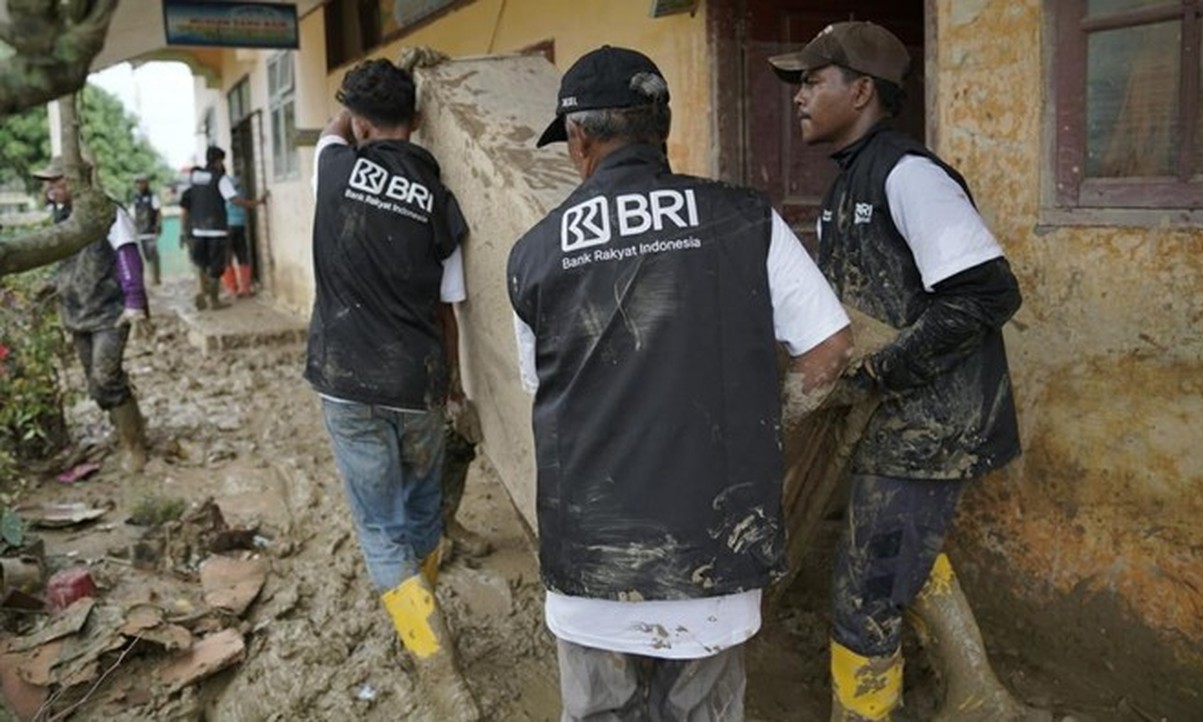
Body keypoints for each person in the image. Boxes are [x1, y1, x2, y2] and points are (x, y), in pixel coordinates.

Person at [507, 46, 853, 721]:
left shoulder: (534, 253)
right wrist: (760, 426)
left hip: (591, 562)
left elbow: (543, 390)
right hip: (713, 555)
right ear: (660, 125)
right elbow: (830, 349)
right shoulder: (746, 219)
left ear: (579, 138)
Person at [769, 21, 1026, 722]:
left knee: (865, 590)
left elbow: (988, 294)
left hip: (928, 420)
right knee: (903, 553)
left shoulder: (908, 175)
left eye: (813, 81)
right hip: (895, 419)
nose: (799, 96)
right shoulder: (849, 184)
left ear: (860, 92)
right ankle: (981, 695)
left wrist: (880, 372)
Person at [303, 58, 479, 720]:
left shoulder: (333, 165)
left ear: (358, 123)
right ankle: (419, 610)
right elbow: (449, 309)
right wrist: (455, 391)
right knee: (419, 510)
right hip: (420, 384)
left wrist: (351, 114)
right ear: (420, 122)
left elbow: (332, 126)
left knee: (379, 529)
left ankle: (437, 667)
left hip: (348, 382)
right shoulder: (441, 200)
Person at [33, 157, 153, 473]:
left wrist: (134, 300)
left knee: (105, 376)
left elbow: (127, 253)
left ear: (74, 181)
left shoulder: (107, 213)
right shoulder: (62, 217)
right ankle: (128, 428)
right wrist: (50, 286)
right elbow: (65, 263)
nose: (49, 188)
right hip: (76, 310)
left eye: (55, 181)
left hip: (110, 310)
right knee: (96, 385)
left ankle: (133, 445)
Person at [180, 146, 264, 310]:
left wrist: (185, 230)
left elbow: (188, 199)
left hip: (198, 228)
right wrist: (254, 203)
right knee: (217, 265)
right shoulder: (220, 178)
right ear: (219, 161)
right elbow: (233, 200)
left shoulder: (196, 176)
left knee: (202, 263)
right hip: (216, 228)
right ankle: (214, 300)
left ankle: (201, 291)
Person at [219, 172, 254, 298]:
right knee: (242, 256)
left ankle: (232, 289)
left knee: (227, 258)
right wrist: (255, 202)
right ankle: (245, 288)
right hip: (240, 224)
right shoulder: (240, 186)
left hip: (228, 225)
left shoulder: (222, 184)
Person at [130, 174, 162, 286]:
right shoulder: (135, 197)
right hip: (139, 231)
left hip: (150, 230)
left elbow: (158, 212)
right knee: (144, 255)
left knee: (153, 254)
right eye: (138, 182)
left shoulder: (153, 196)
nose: (140, 185)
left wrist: (158, 225)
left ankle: (156, 278)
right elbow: (133, 214)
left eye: (142, 182)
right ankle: (149, 278)